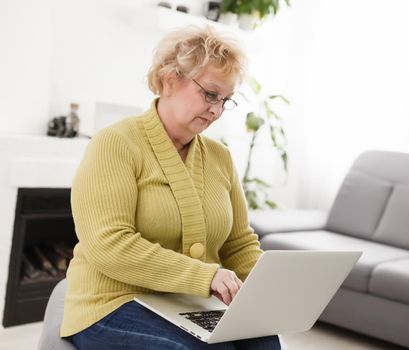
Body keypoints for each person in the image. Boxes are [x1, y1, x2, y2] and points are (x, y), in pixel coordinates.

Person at [60, 25, 281, 350]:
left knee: (265, 341)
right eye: (209, 94)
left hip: (187, 306)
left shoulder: (220, 158)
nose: (217, 110)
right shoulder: (115, 143)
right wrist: (205, 276)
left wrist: (270, 292)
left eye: (225, 100)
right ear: (169, 79)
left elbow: (238, 244)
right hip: (112, 303)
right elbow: (108, 244)